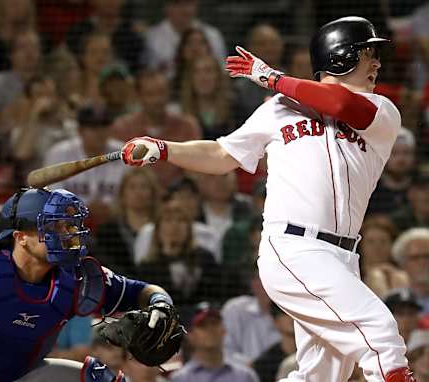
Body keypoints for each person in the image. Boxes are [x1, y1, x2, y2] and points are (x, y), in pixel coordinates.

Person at [121, 16, 416, 381]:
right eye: (368, 53)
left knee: (322, 376)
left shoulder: (382, 112)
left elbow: (339, 104)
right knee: (380, 335)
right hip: (293, 247)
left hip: (343, 257)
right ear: (340, 56)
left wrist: (271, 77)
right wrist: (164, 148)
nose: (377, 63)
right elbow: (222, 155)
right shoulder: (277, 108)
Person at [0, 187, 177, 381]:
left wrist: (162, 304)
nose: (68, 234)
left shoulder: (78, 278)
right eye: (54, 227)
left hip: (22, 376)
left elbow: (140, 291)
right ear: (20, 238)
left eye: (69, 226)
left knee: (99, 378)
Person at [170, 302, 259, 382]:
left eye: (215, 323)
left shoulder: (245, 377)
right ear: (190, 335)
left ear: (224, 330)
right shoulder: (180, 379)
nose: (210, 329)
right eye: (203, 326)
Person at [391, 227, 429, 314]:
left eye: (427, 256)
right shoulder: (391, 302)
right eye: (415, 257)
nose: (423, 262)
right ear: (403, 263)